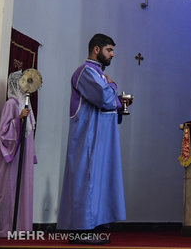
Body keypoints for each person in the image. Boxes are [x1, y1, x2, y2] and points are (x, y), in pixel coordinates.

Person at [57, 34, 129, 244]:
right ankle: (80, 230)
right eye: (109, 50)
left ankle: (94, 226)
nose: (112, 55)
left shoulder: (98, 73)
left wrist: (115, 97)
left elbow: (111, 102)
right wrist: (114, 87)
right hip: (87, 139)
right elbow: (105, 98)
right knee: (85, 180)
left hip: (100, 139)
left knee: (97, 181)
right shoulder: (85, 72)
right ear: (96, 50)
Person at [0, 71, 37, 237]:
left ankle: (22, 227)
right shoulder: (11, 104)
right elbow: (3, 132)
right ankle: (8, 228)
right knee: (10, 189)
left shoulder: (25, 103)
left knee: (24, 188)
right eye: (23, 82)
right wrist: (18, 119)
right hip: (13, 155)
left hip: (24, 153)